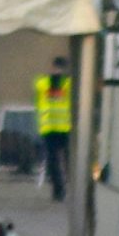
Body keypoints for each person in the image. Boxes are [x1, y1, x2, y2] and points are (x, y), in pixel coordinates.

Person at [32, 55, 76, 199]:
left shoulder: (42, 83)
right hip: (65, 127)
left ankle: (59, 191)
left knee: (53, 161)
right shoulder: (69, 83)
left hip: (49, 127)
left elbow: (38, 102)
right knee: (68, 160)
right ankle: (71, 189)